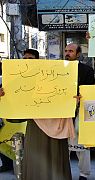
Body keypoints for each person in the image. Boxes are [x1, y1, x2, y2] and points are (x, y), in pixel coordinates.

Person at [0, 48, 75, 180]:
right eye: (25, 59)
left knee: (55, 159)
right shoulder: (17, 80)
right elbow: (12, 103)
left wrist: (74, 98)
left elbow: (65, 94)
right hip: (35, 125)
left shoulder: (52, 75)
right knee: (35, 163)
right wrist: (3, 96)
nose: (27, 62)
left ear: (38, 60)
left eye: (31, 59)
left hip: (55, 123)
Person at [65, 43, 95, 180]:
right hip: (62, 114)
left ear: (78, 54)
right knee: (63, 146)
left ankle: (84, 174)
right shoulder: (57, 69)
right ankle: (63, 172)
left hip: (80, 112)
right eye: (66, 51)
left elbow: (91, 92)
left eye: (70, 51)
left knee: (82, 146)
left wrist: (81, 98)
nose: (67, 53)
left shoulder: (87, 70)